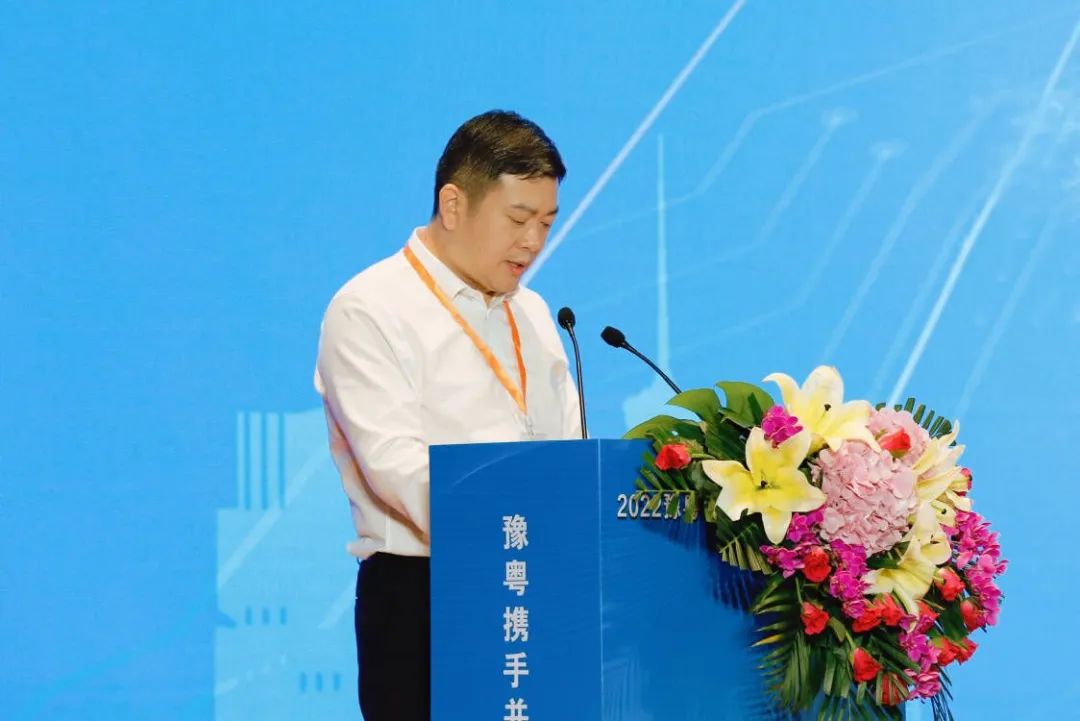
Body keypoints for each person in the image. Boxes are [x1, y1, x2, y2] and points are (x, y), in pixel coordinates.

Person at [314, 109, 582, 721]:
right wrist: (521, 527)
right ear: (454, 204)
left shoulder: (534, 313)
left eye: (546, 223)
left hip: (537, 584)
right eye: (518, 219)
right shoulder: (369, 308)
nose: (533, 242)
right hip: (424, 598)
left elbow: (567, 449)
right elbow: (397, 468)